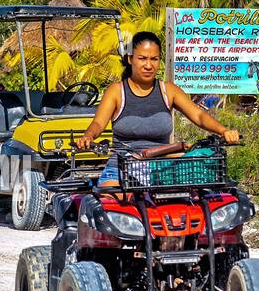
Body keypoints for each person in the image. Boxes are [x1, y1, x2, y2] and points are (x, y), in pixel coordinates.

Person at [75, 31, 239, 185]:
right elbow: (98, 124)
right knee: (114, 205)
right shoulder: (116, 91)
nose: (148, 65)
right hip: (121, 167)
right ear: (130, 59)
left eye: (154, 59)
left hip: (163, 168)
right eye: (142, 58)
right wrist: (88, 136)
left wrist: (224, 131)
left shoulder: (169, 90)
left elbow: (199, 116)